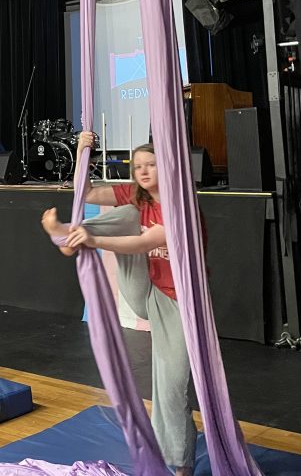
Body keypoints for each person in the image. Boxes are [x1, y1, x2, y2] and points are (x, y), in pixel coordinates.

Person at [40, 132, 196, 476]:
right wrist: (83, 151)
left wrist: (95, 240)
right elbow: (90, 191)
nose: (142, 171)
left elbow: (150, 240)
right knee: (128, 212)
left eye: (150, 165)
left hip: (179, 302)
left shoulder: (180, 204)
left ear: (166, 168)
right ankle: (70, 233)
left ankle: (180, 464)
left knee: (169, 388)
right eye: (137, 165)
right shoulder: (138, 199)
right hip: (146, 288)